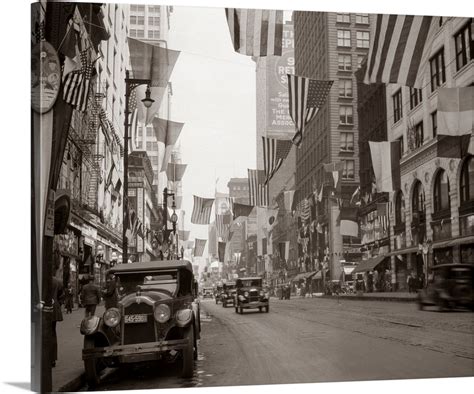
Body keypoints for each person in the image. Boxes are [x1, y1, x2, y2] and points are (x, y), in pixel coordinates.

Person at [51, 275, 64, 367]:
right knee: (52, 333)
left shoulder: (39, 278)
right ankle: (52, 359)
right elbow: (61, 296)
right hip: (54, 308)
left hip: (42, 308)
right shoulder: (57, 281)